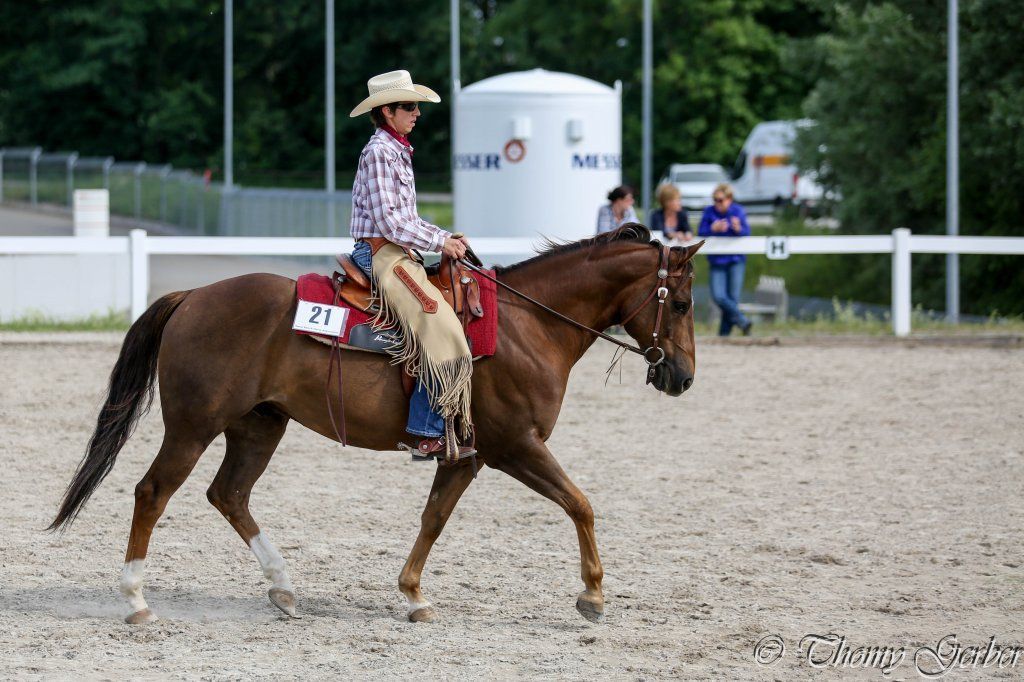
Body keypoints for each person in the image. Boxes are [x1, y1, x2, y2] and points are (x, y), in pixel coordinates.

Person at [348, 69, 474, 461]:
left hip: (398, 250)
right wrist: (440, 242)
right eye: (409, 106)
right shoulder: (380, 152)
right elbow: (390, 223)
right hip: (380, 252)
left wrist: (445, 238)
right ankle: (425, 431)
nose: (416, 112)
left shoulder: (397, 150)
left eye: (416, 106)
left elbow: (410, 219)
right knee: (433, 315)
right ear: (387, 112)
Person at [698, 183, 752, 337]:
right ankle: (742, 321)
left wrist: (738, 229)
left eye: (720, 200)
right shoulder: (709, 212)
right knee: (719, 296)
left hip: (736, 260)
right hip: (717, 261)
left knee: (732, 299)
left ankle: (724, 334)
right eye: (715, 200)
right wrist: (712, 229)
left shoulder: (738, 211)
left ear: (729, 199)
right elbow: (701, 231)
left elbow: (746, 233)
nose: (717, 203)